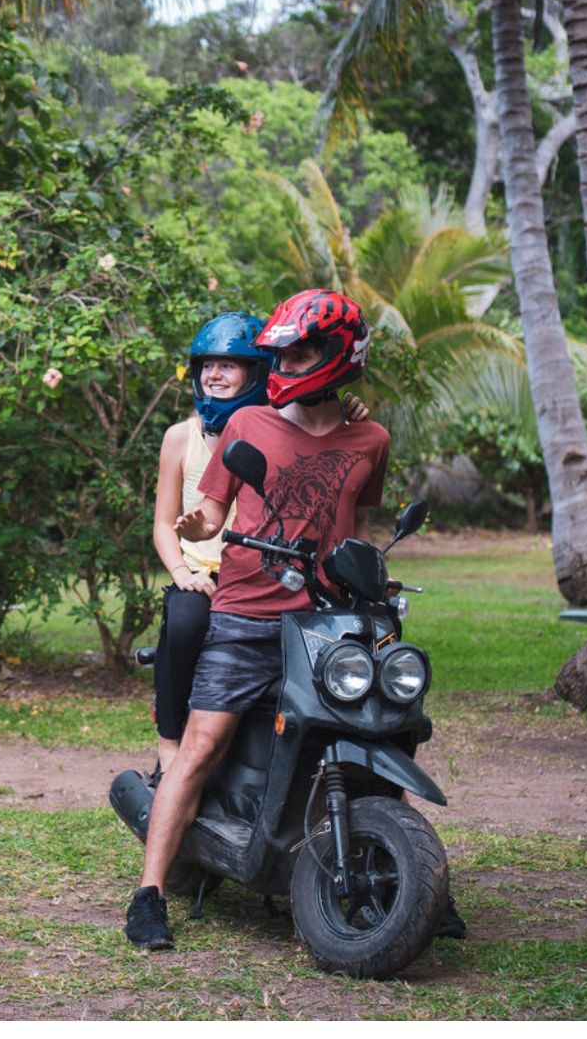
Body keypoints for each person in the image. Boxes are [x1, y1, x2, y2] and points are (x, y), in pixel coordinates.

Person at [126, 289, 391, 952]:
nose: (287, 366)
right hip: (244, 613)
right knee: (200, 745)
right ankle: (149, 892)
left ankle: (401, 871)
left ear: (336, 356)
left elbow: (357, 528)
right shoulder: (249, 427)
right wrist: (195, 526)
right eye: (282, 354)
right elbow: (212, 516)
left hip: (325, 622)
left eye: (300, 353)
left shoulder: (372, 439)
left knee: (373, 740)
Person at [149, 313, 367, 778]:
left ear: (261, 371)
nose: (214, 375)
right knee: (186, 623)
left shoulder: (274, 428)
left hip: (263, 575)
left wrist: (347, 411)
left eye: (229, 366)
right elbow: (164, 524)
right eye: (207, 366)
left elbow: (330, 450)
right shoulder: (179, 438)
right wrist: (182, 574)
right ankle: (169, 741)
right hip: (203, 577)